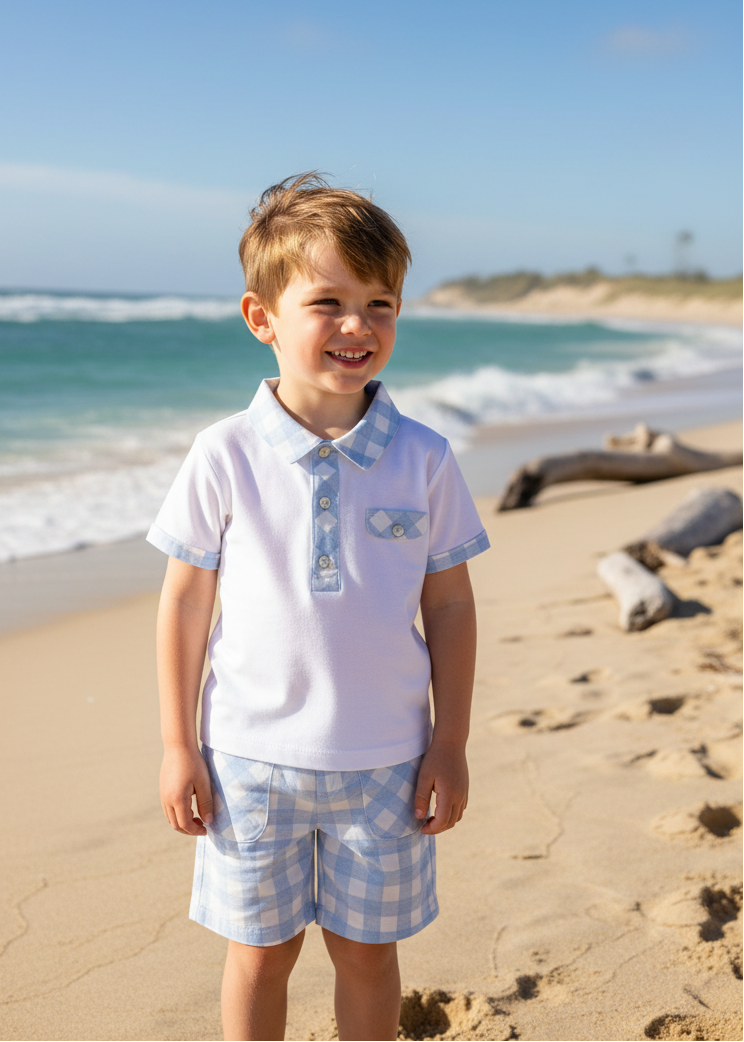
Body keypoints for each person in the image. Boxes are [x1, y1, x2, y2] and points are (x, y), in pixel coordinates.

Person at [148, 173, 490, 1042]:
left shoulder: (423, 458)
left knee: (367, 955)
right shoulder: (223, 454)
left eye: (381, 303)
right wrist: (177, 744)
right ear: (261, 317)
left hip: (387, 761)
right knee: (259, 955)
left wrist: (448, 741)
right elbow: (187, 603)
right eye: (327, 302)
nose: (358, 326)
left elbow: (449, 604)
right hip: (247, 763)